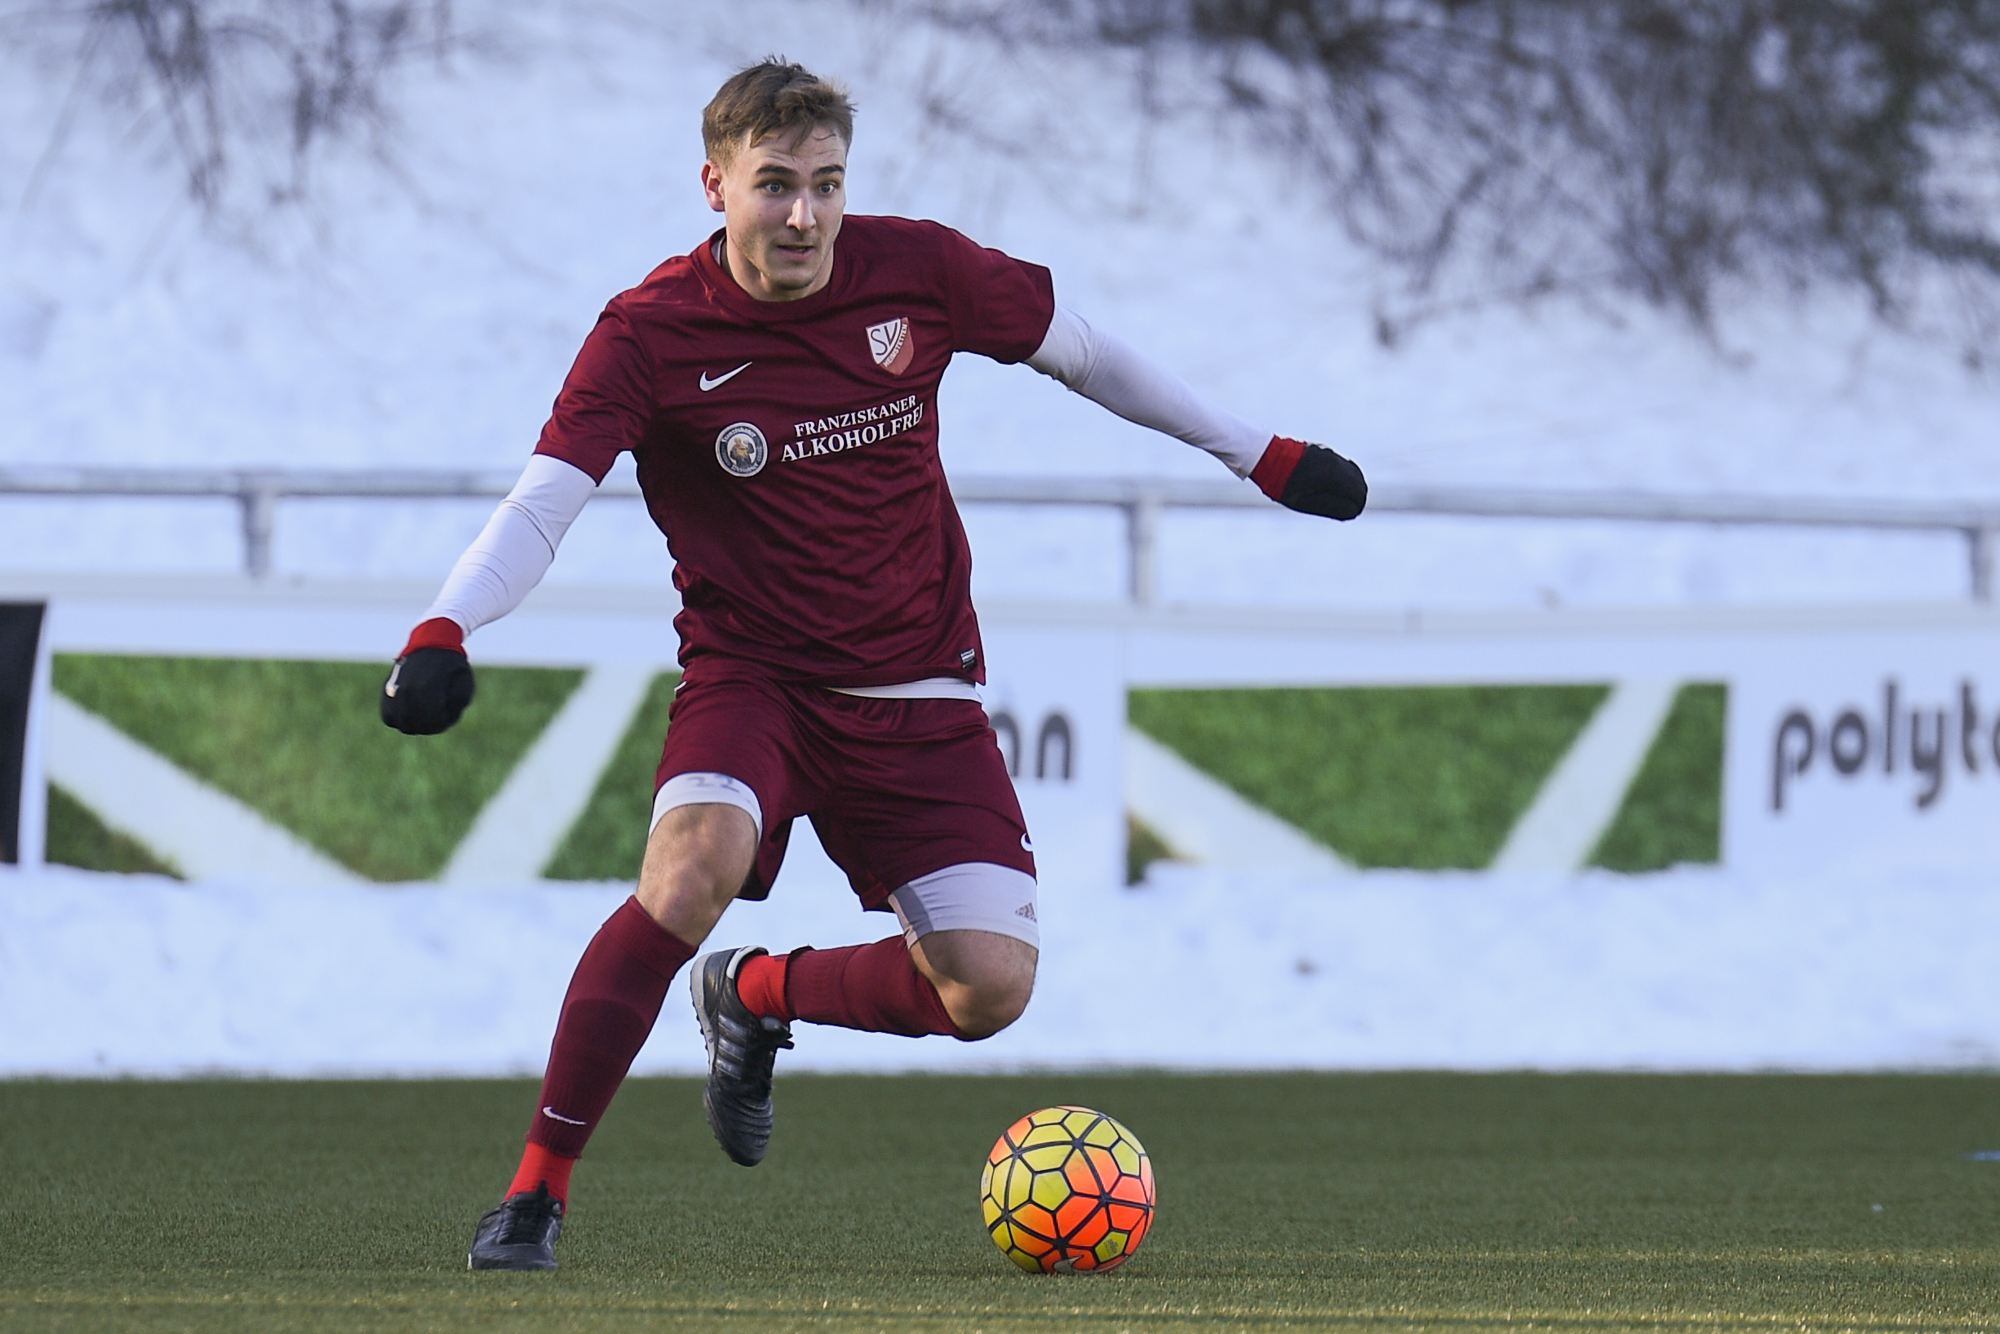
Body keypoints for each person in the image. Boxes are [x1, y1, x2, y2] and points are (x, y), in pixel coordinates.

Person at [381, 58, 1366, 1272]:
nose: (804, 215)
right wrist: (444, 626)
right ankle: (535, 1191)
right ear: (714, 186)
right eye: (774, 185)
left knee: (987, 989)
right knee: (688, 872)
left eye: (827, 184)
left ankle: (754, 994)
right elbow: (545, 500)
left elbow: (1083, 352)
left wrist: (1258, 454)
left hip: (917, 684)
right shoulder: (647, 334)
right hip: (752, 682)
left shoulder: (919, 271)